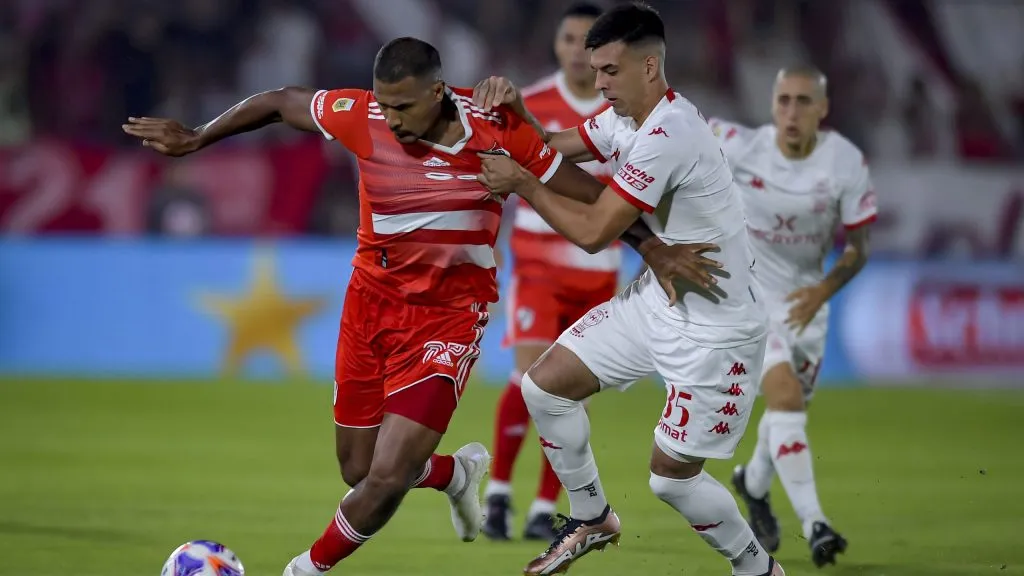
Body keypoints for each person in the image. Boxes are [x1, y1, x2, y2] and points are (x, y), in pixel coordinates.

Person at [123, 36, 718, 576]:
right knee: (359, 469)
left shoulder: (496, 129)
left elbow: (586, 191)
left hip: (449, 319)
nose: (391, 118)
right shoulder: (362, 115)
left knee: (384, 478)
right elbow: (282, 101)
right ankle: (456, 473)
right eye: (384, 103)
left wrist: (656, 250)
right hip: (369, 307)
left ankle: (305, 569)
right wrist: (199, 136)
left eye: (404, 106)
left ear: (438, 92)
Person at [473, 4, 785, 575]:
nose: (598, 85)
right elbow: (549, 147)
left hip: (717, 332)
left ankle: (756, 567)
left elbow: (594, 232)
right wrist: (517, 115)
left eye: (610, 71)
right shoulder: (625, 118)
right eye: (595, 71)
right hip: (656, 301)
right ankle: (592, 517)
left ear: (649, 66)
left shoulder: (671, 132)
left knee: (670, 480)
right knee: (543, 387)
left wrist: (522, 184)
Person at [710, 65, 875, 568]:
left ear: (823, 109)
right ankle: (816, 524)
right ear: (772, 104)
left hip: (808, 305)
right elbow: (673, 133)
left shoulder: (845, 162)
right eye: (783, 100)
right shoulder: (741, 146)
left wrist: (824, 290)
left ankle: (752, 483)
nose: (791, 112)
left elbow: (859, 247)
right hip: (751, 298)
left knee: (789, 415)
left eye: (804, 101)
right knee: (783, 397)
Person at [483, 1, 617, 543]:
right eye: (569, 39)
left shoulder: (622, 113)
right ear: (557, 45)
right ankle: (497, 492)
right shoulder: (531, 102)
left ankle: (544, 504)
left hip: (598, 267)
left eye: (589, 43)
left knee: (569, 395)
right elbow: (491, 176)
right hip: (537, 262)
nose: (578, 52)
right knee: (526, 376)